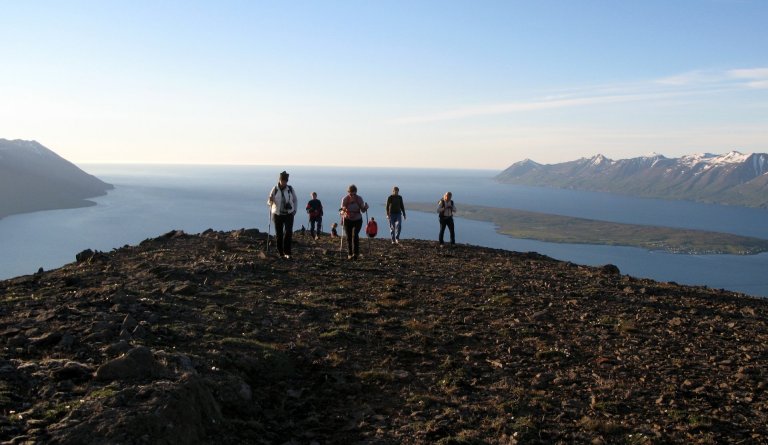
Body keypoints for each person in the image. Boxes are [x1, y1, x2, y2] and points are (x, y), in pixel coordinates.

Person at [267, 171, 298, 259]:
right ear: (279, 180)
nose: (284, 182)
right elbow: (269, 202)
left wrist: (294, 210)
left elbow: (295, 200)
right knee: (279, 234)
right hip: (277, 214)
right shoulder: (275, 189)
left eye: (285, 181)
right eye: (282, 180)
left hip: (289, 214)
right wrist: (270, 200)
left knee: (288, 232)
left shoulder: (290, 189)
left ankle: (287, 252)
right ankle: (281, 253)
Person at [340, 184, 369, 260]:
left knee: (355, 235)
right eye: (350, 193)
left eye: (353, 193)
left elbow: (362, 210)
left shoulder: (359, 199)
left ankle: (355, 253)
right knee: (349, 237)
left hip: (357, 220)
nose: (352, 195)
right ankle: (350, 253)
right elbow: (341, 210)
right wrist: (343, 212)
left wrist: (365, 207)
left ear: (356, 192)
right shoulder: (345, 199)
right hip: (347, 219)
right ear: (348, 192)